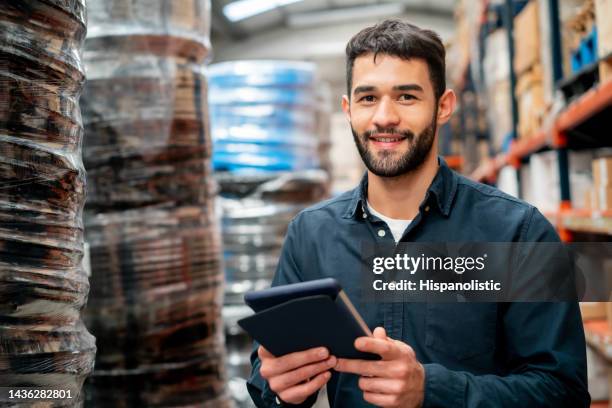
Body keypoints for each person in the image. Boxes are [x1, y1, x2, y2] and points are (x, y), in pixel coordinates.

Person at [247, 19, 590, 407]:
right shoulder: (311, 234)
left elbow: (563, 392)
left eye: (406, 97)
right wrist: (279, 390)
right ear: (347, 109)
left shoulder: (517, 233)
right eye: (367, 98)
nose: (384, 117)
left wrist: (431, 390)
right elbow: (265, 379)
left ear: (443, 106)